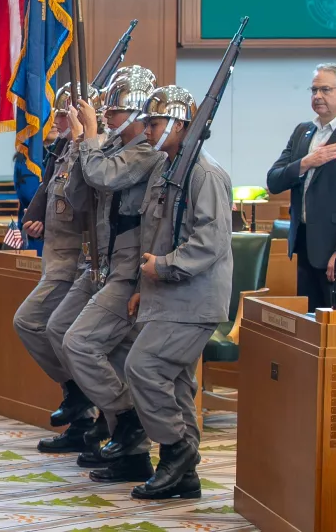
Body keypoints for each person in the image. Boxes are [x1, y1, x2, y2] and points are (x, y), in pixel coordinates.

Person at [124, 85, 232, 501]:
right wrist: (142, 285)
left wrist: (163, 267)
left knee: (144, 367)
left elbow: (210, 242)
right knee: (177, 380)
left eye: (153, 122)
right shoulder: (166, 169)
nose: (146, 130)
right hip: (165, 293)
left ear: (180, 124)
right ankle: (184, 476)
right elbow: (156, 232)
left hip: (194, 297)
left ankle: (177, 450)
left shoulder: (204, 173)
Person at [61, 67, 163, 484]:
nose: (108, 119)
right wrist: (80, 145)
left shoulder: (145, 152)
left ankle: (127, 418)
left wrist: (90, 139)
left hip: (131, 267)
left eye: (116, 112)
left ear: (138, 114)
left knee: (79, 342)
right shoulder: (109, 145)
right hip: (105, 261)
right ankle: (130, 454)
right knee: (114, 356)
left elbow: (107, 175)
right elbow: (78, 193)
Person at [13, 82, 109, 457]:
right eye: (59, 111)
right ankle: (81, 416)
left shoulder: (90, 152)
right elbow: (54, 199)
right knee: (52, 332)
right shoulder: (65, 151)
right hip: (55, 256)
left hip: (75, 262)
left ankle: (81, 396)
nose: (60, 117)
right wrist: (37, 220)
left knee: (33, 323)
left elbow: (90, 202)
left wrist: (89, 139)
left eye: (68, 110)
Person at [266, 64, 336, 311]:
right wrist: (307, 162)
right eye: (314, 90)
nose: (317, 96)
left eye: (325, 89)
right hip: (304, 249)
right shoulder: (303, 132)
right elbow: (274, 180)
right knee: (311, 335)